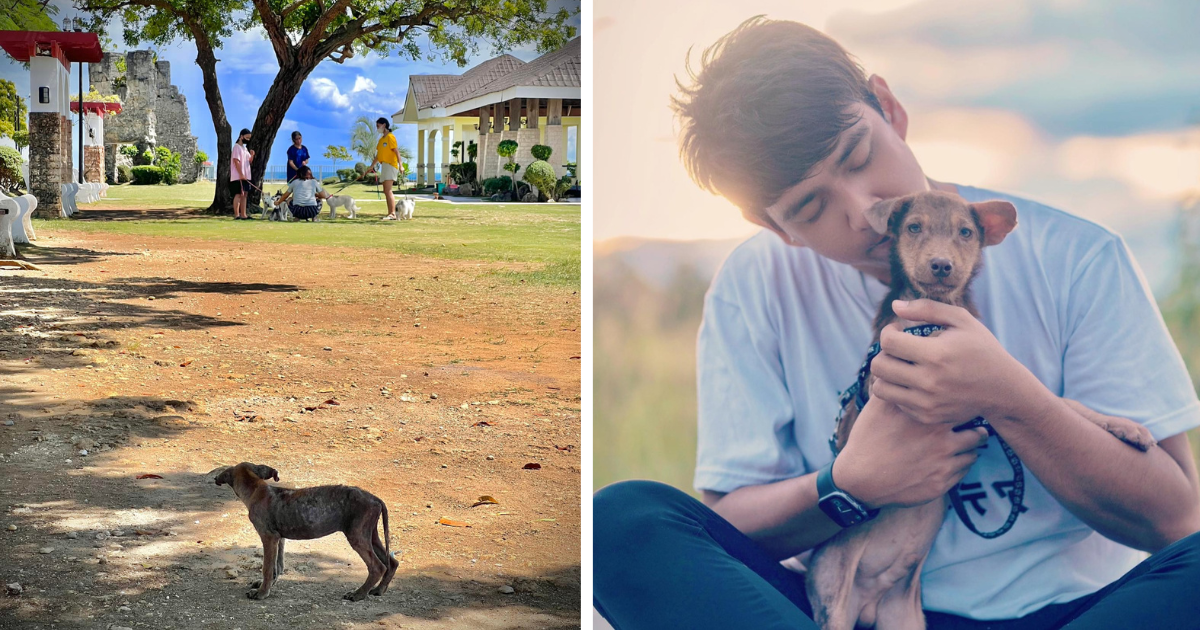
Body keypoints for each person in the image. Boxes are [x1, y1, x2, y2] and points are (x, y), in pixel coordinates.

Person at [593, 17, 1200, 630]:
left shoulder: (1076, 257)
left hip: (1076, 611)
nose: (863, 214)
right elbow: (733, 529)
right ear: (777, 228)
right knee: (619, 525)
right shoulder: (755, 286)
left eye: (858, 156)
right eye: (810, 207)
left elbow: (1178, 521)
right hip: (861, 608)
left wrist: (1009, 397)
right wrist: (848, 483)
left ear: (889, 109)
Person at [368, 116, 402, 220]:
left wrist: (401, 165)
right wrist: (371, 166)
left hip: (391, 165)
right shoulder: (381, 139)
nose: (377, 128)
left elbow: (396, 151)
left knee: (388, 190)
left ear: (384, 125)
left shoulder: (390, 137)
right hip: (385, 166)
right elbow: (378, 155)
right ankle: (390, 213)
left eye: (378, 126)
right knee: (386, 190)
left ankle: (392, 214)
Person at [230, 127, 254, 220]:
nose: (248, 140)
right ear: (241, 136)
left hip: (246, 175)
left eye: (249, 138)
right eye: (246, 137)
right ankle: (237, 215)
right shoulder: (236, 147)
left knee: (245, 194)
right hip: (239, 176)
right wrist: (241, 174)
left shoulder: (244, 148)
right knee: (239, 194)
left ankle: (244, 214)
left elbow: (249, 161)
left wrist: (252, 155)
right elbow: (236, 161)